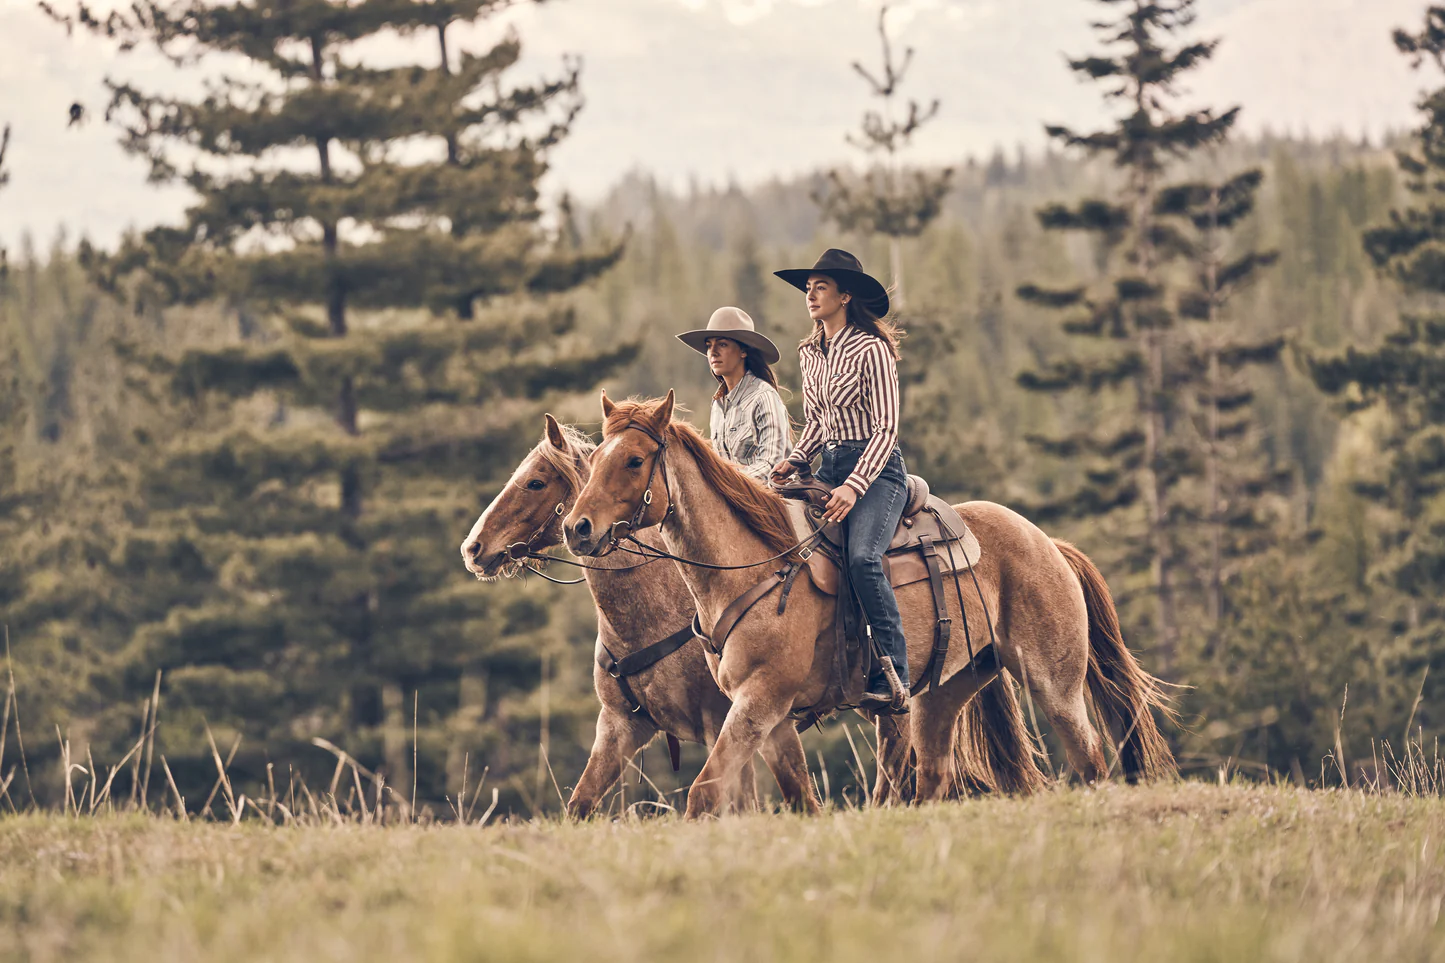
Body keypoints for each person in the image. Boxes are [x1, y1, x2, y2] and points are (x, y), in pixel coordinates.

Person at [769, 250, 910, 712]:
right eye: (808, 288)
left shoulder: (872, 350)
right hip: (827, 466)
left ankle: (894, 672)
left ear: (845, 296)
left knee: (863, 559)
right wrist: (795, 459)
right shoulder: (808, 353)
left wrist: (854, 486)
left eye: (821, 287)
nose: (810, 295)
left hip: (876, 470)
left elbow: (887, 429)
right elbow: (817, 421)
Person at [676, 306, 792, 484]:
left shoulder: (764, 396)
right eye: (709, 345)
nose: (713, 352)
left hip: (769, 496)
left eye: (722, 344)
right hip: (732, 496)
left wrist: (726, 484)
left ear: (743, 351)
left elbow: (771, 464)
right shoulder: (718, 405)